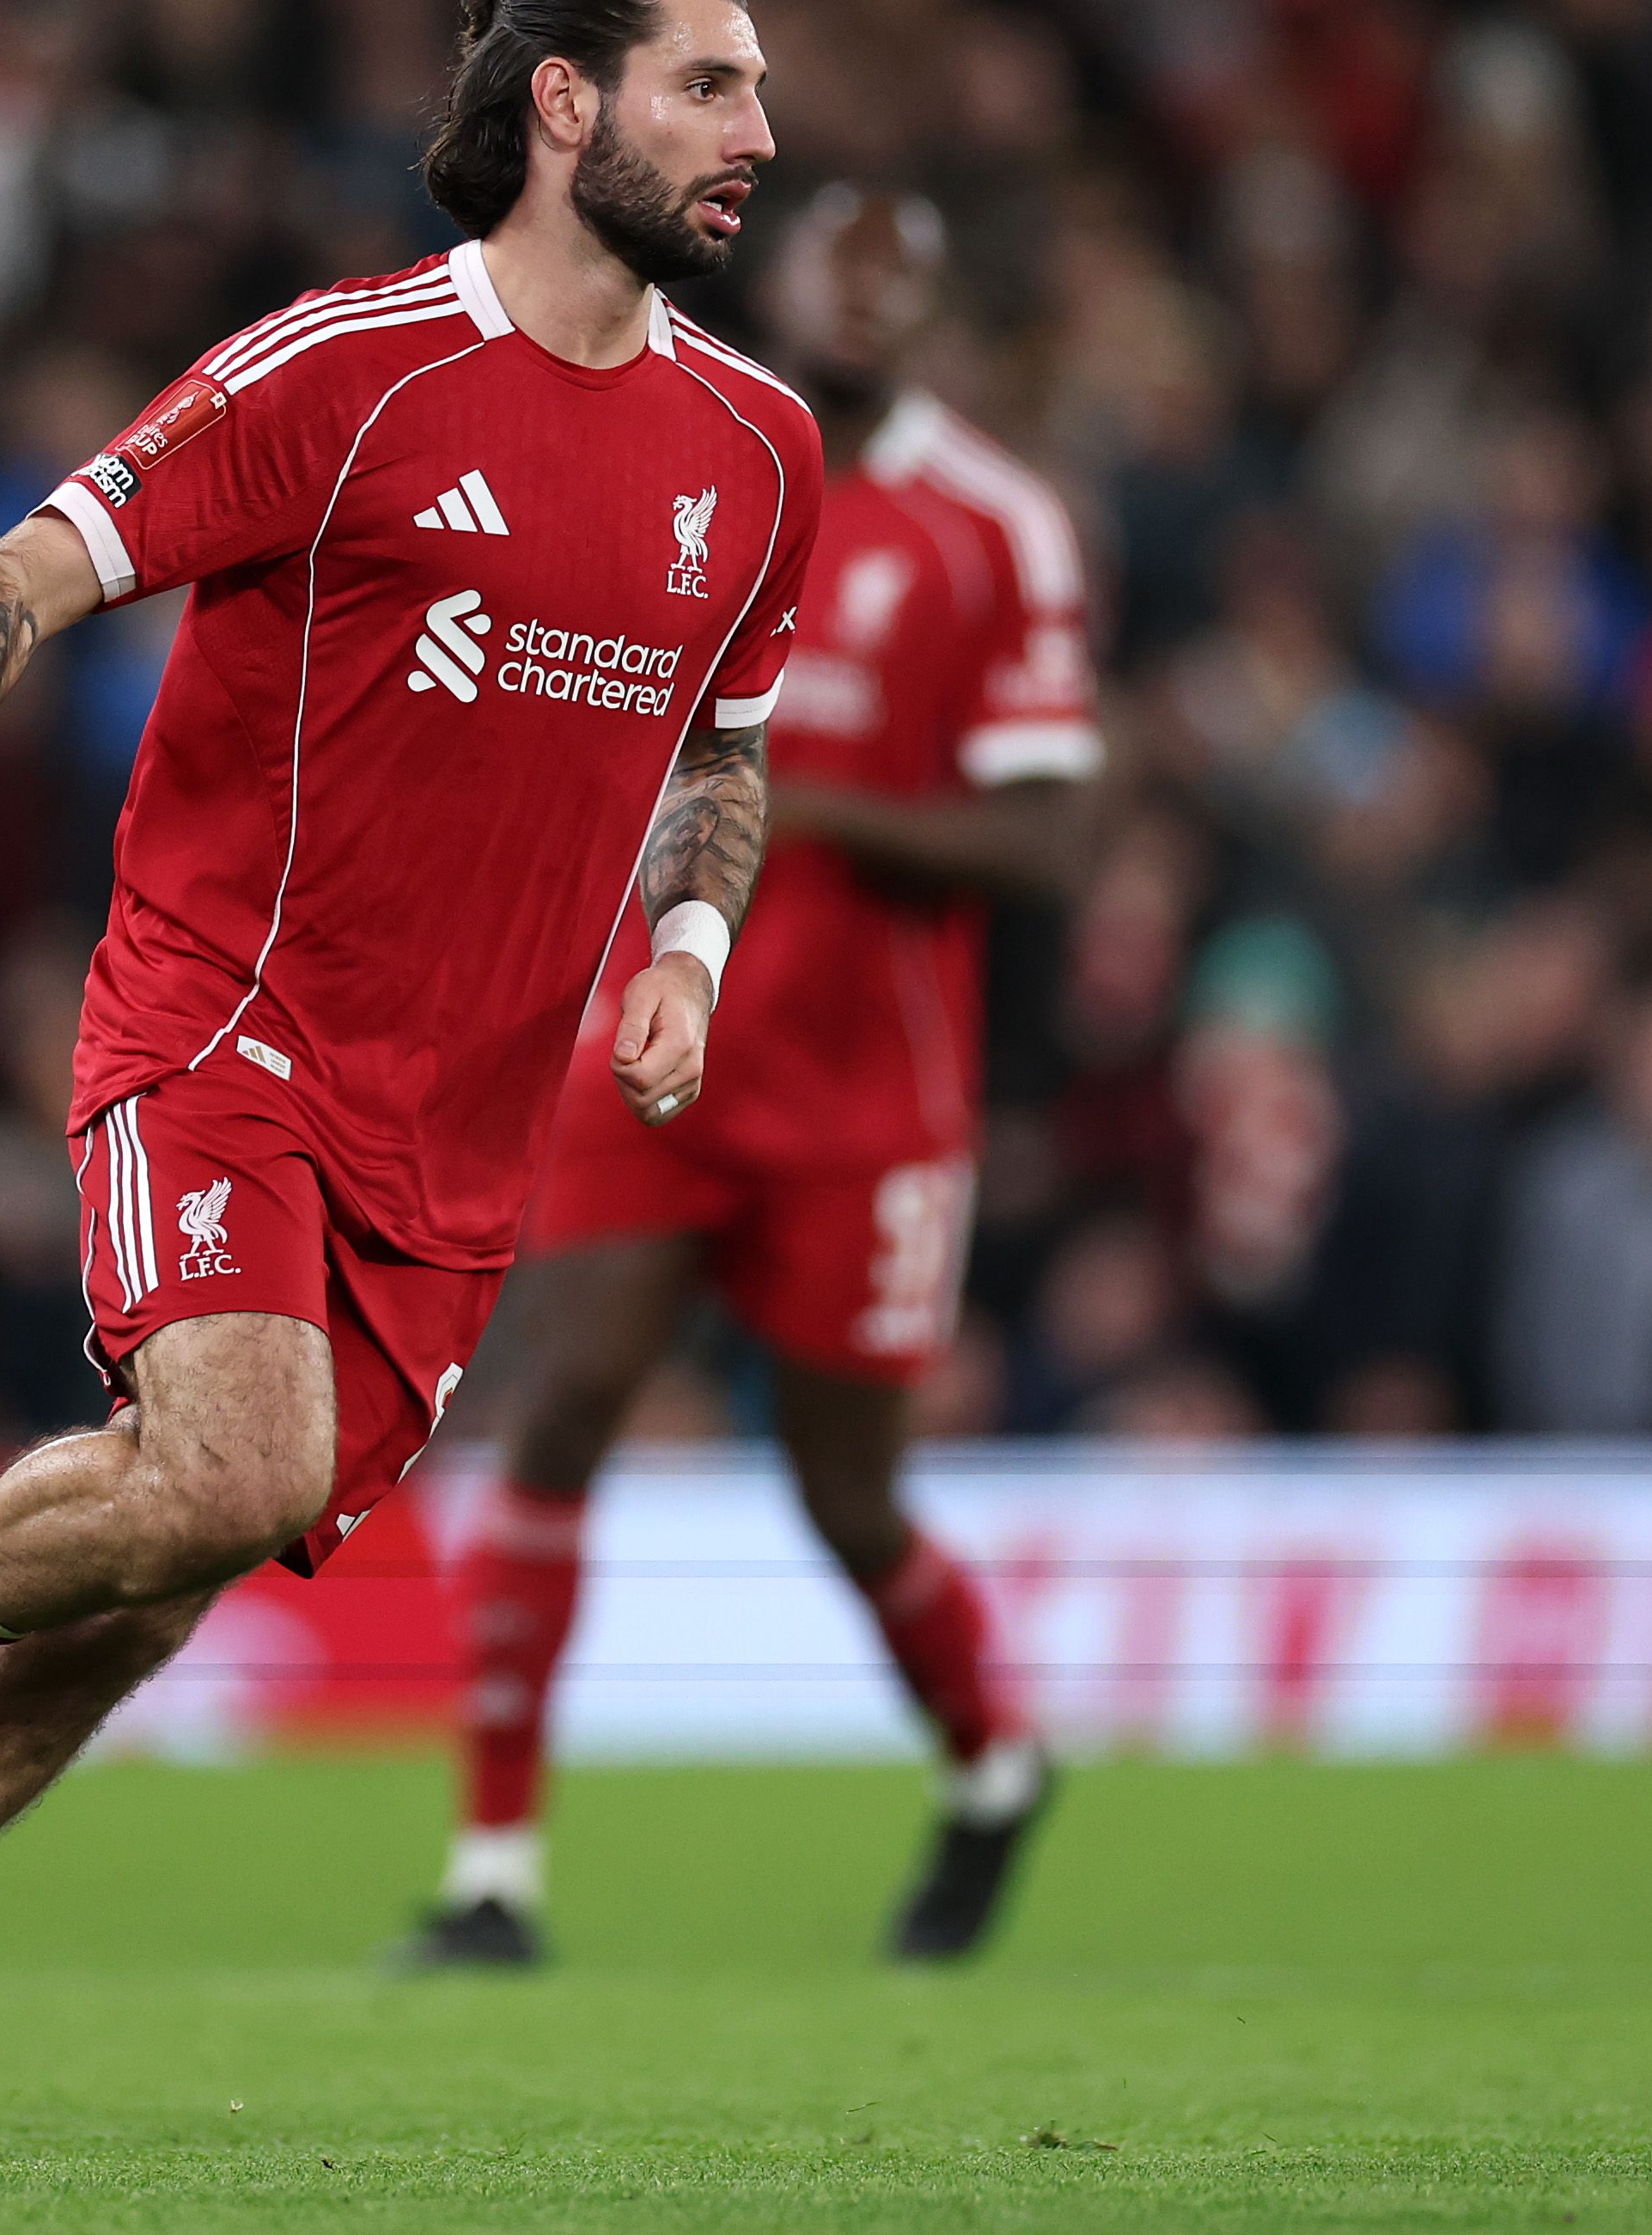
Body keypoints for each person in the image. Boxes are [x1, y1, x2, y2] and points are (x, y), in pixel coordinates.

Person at [0, 0, 820, 2171]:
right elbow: (14, 574)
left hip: (460, 1141)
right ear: (560, 105)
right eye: (704, 85)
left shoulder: (760, 449)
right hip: (222, 1026)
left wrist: (692, 950)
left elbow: (721, 756)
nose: (754, 129)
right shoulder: (336, 380)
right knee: (221, 1476)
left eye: (752, 89)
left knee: (135, 1613)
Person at [395, 186, 1100, 1969]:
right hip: (655, 1031)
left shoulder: (988, 526)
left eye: (897, 272)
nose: (858, 302)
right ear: (773, 283)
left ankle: (996, 1764)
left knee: (843, 1494)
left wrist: (792, 794)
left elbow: (1052, 838)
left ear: (933, 309)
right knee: (560, 1405)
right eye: (833, 267)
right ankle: (492, 1875)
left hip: (866, 1097)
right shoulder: (674, 458)